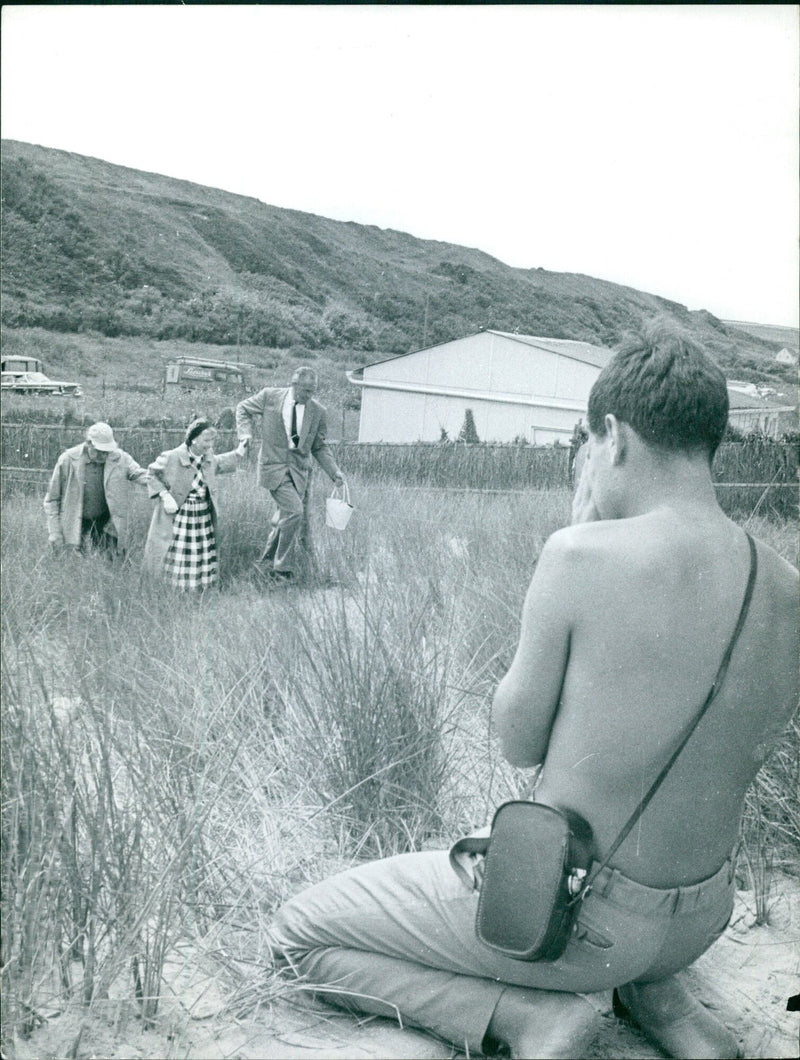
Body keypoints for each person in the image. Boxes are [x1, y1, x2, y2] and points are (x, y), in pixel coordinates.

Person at [265, 321, 798, 1059]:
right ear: (710, 440)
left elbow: (516, 740)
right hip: (701, 916)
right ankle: (665, 1004)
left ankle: (525, 1019)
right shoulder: (788, 588)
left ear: (612, 437)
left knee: (299, 931)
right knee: (643, 912)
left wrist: (578, 526)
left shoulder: (581, 554)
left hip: (578, 921)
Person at [235, 366, 344, 583]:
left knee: (284, 519)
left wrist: (334, 472)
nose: (309, 396)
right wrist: (245, 435)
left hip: (299, 473)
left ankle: (264, 563)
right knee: (294, 512)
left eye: (313, 391)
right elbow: (242, 408)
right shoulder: (269, 396)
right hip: (273, 467)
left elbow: (319, 447)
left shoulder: (318, 412)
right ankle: (281, 569)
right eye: (305, 391)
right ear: (294, 385)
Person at [143, 418, 246, 590]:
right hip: (180, 515)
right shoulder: (172, 456)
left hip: (202, 513)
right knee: (179, 550)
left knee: (201, 549)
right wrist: (165, 495)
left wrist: (239, 452)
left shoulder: (208, 457)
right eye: (206, 440)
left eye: (212, 440)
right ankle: (173, 589)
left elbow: (219, 463)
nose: (210, 444)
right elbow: (151, 475)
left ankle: (199, 587)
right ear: (193, 439)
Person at [44, 421, 148, 558]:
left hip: (106, 524)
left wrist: (163, 480)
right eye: (99, 452)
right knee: (76, 569)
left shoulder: (121, 458)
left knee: (110, 568)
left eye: (107, 452)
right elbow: (52, 500)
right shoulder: (67, 460)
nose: (104, 456)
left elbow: (139, 474)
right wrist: (54, 533)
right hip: (75, 524)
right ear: (88, 444)